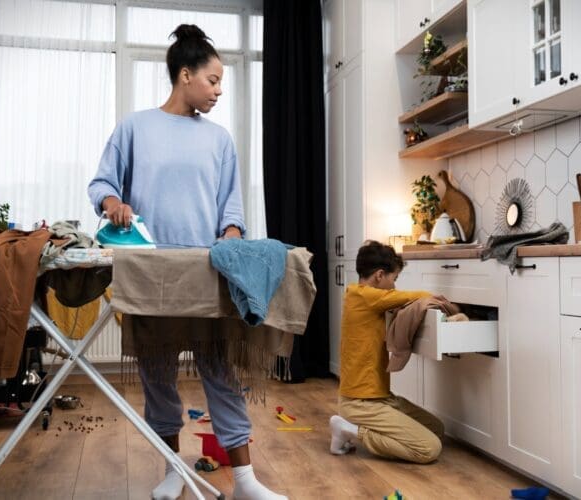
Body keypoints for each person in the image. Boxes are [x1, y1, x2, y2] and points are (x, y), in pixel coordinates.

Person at [88, 24, 286, 500]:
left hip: (204, 272)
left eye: (221, 83)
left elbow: (230, 208)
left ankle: (245, 481)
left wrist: (234, 237)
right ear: (184, 76)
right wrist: (113, 203)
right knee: (157, 375)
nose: (219, 90)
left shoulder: (219, 140)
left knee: (220, 371)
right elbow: (101, 184)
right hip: (152, 272)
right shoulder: (135, 127)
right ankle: (174, 470)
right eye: (213, 80)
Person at [329, 240, 447, 464]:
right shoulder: (365, 296)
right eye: (394, 279)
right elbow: (419, 295)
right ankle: (349, 430)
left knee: (437, 429)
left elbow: (398, 301)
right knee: (428, 449)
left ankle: (358, 428)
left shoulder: (361, 295)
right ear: (379, 275)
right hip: (360, 403)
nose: (394, 286)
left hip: (380, 397)